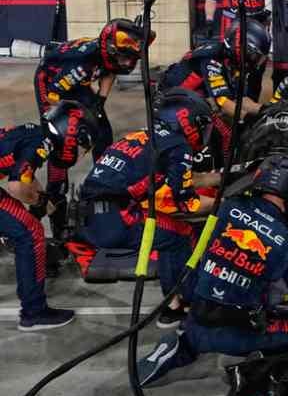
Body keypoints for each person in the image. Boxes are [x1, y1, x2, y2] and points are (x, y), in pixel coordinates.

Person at [135, 155, 288, 386]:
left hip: (196, 314)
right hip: (237, 332)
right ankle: (253, 360)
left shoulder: (228, 206)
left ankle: (184, 343)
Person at [79, 88, 219, 328]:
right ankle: (184, 304)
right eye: (201, 124)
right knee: (181, 233)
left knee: (167, 230)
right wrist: (225, 203)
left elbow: (173, 180)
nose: (203, 131)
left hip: (89, 216)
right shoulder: (178, 146)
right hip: (115, 221)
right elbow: (188, 203)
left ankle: (172, 303)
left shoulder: (142, 137)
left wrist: (219, 179)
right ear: (186, 121)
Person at [33, 18, 150, 252]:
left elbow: (110, 71)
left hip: (78, 84)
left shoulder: (107, 55)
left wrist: (98, 104)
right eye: (126, 57)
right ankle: (58, 226)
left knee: (102, 131)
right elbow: (56, 95)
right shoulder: (82, 64)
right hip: (53, 84)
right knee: (61, 144)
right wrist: (72, 124)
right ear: (112, 49)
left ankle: (104, 184)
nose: (129, 62)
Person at [1, 102, 96, 330]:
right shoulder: (41, 143)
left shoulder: (34, 135)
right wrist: (42, 202)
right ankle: (34, 313)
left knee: (21, 221)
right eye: (83, 146)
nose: (81, 153)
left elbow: (24, 176)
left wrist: (42, 200)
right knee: (30, 231)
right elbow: (16, 187)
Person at [162, 19, 271, 151]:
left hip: (194, 101)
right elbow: (223, 102)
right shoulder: (211, 58)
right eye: (256, 57)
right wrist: (251, 119)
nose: (257, 63)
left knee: (234, 125)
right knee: (227, 133)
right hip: (171, 105)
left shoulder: (230, 60)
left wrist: (268, 111)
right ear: (244, 49)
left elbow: (241, 99)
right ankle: (224, 169)